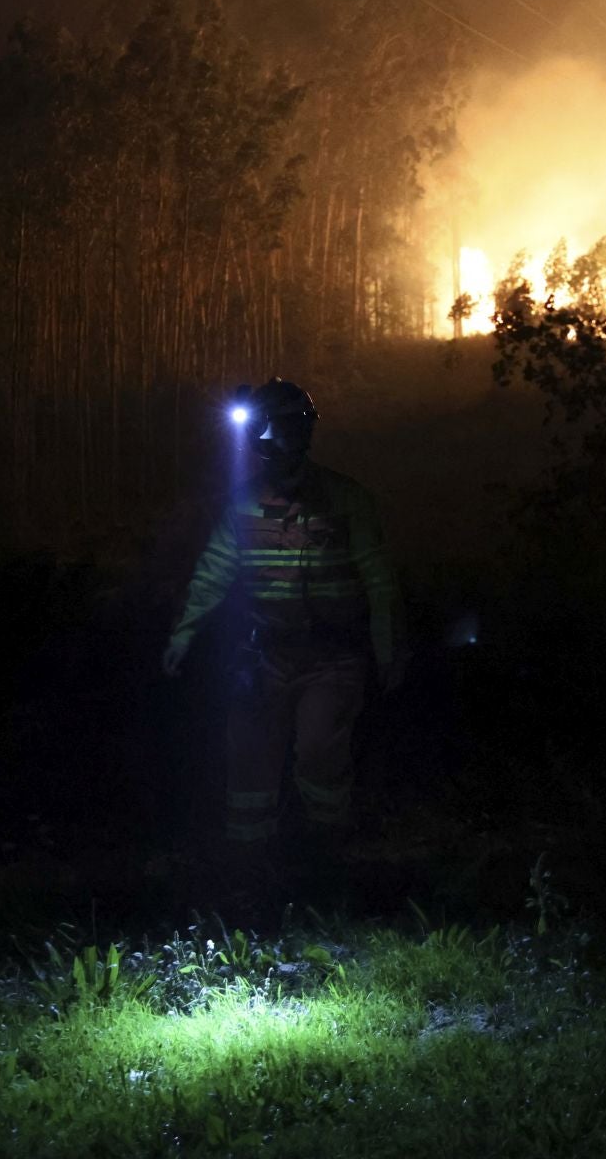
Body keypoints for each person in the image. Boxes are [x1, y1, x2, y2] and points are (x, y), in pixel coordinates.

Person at [162, 379, 401, 895]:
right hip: (265, 655)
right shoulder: (241, 503)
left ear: (299, 434)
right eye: (262, 444)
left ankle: (324, 864)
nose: (267, 451)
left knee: (320, 754)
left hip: (333, 658)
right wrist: (183, 634)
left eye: (277, 438)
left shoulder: (347, 500)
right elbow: (214, 571)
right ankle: (248, 875)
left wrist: (388, 649)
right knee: (248, 759)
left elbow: (378, 580)